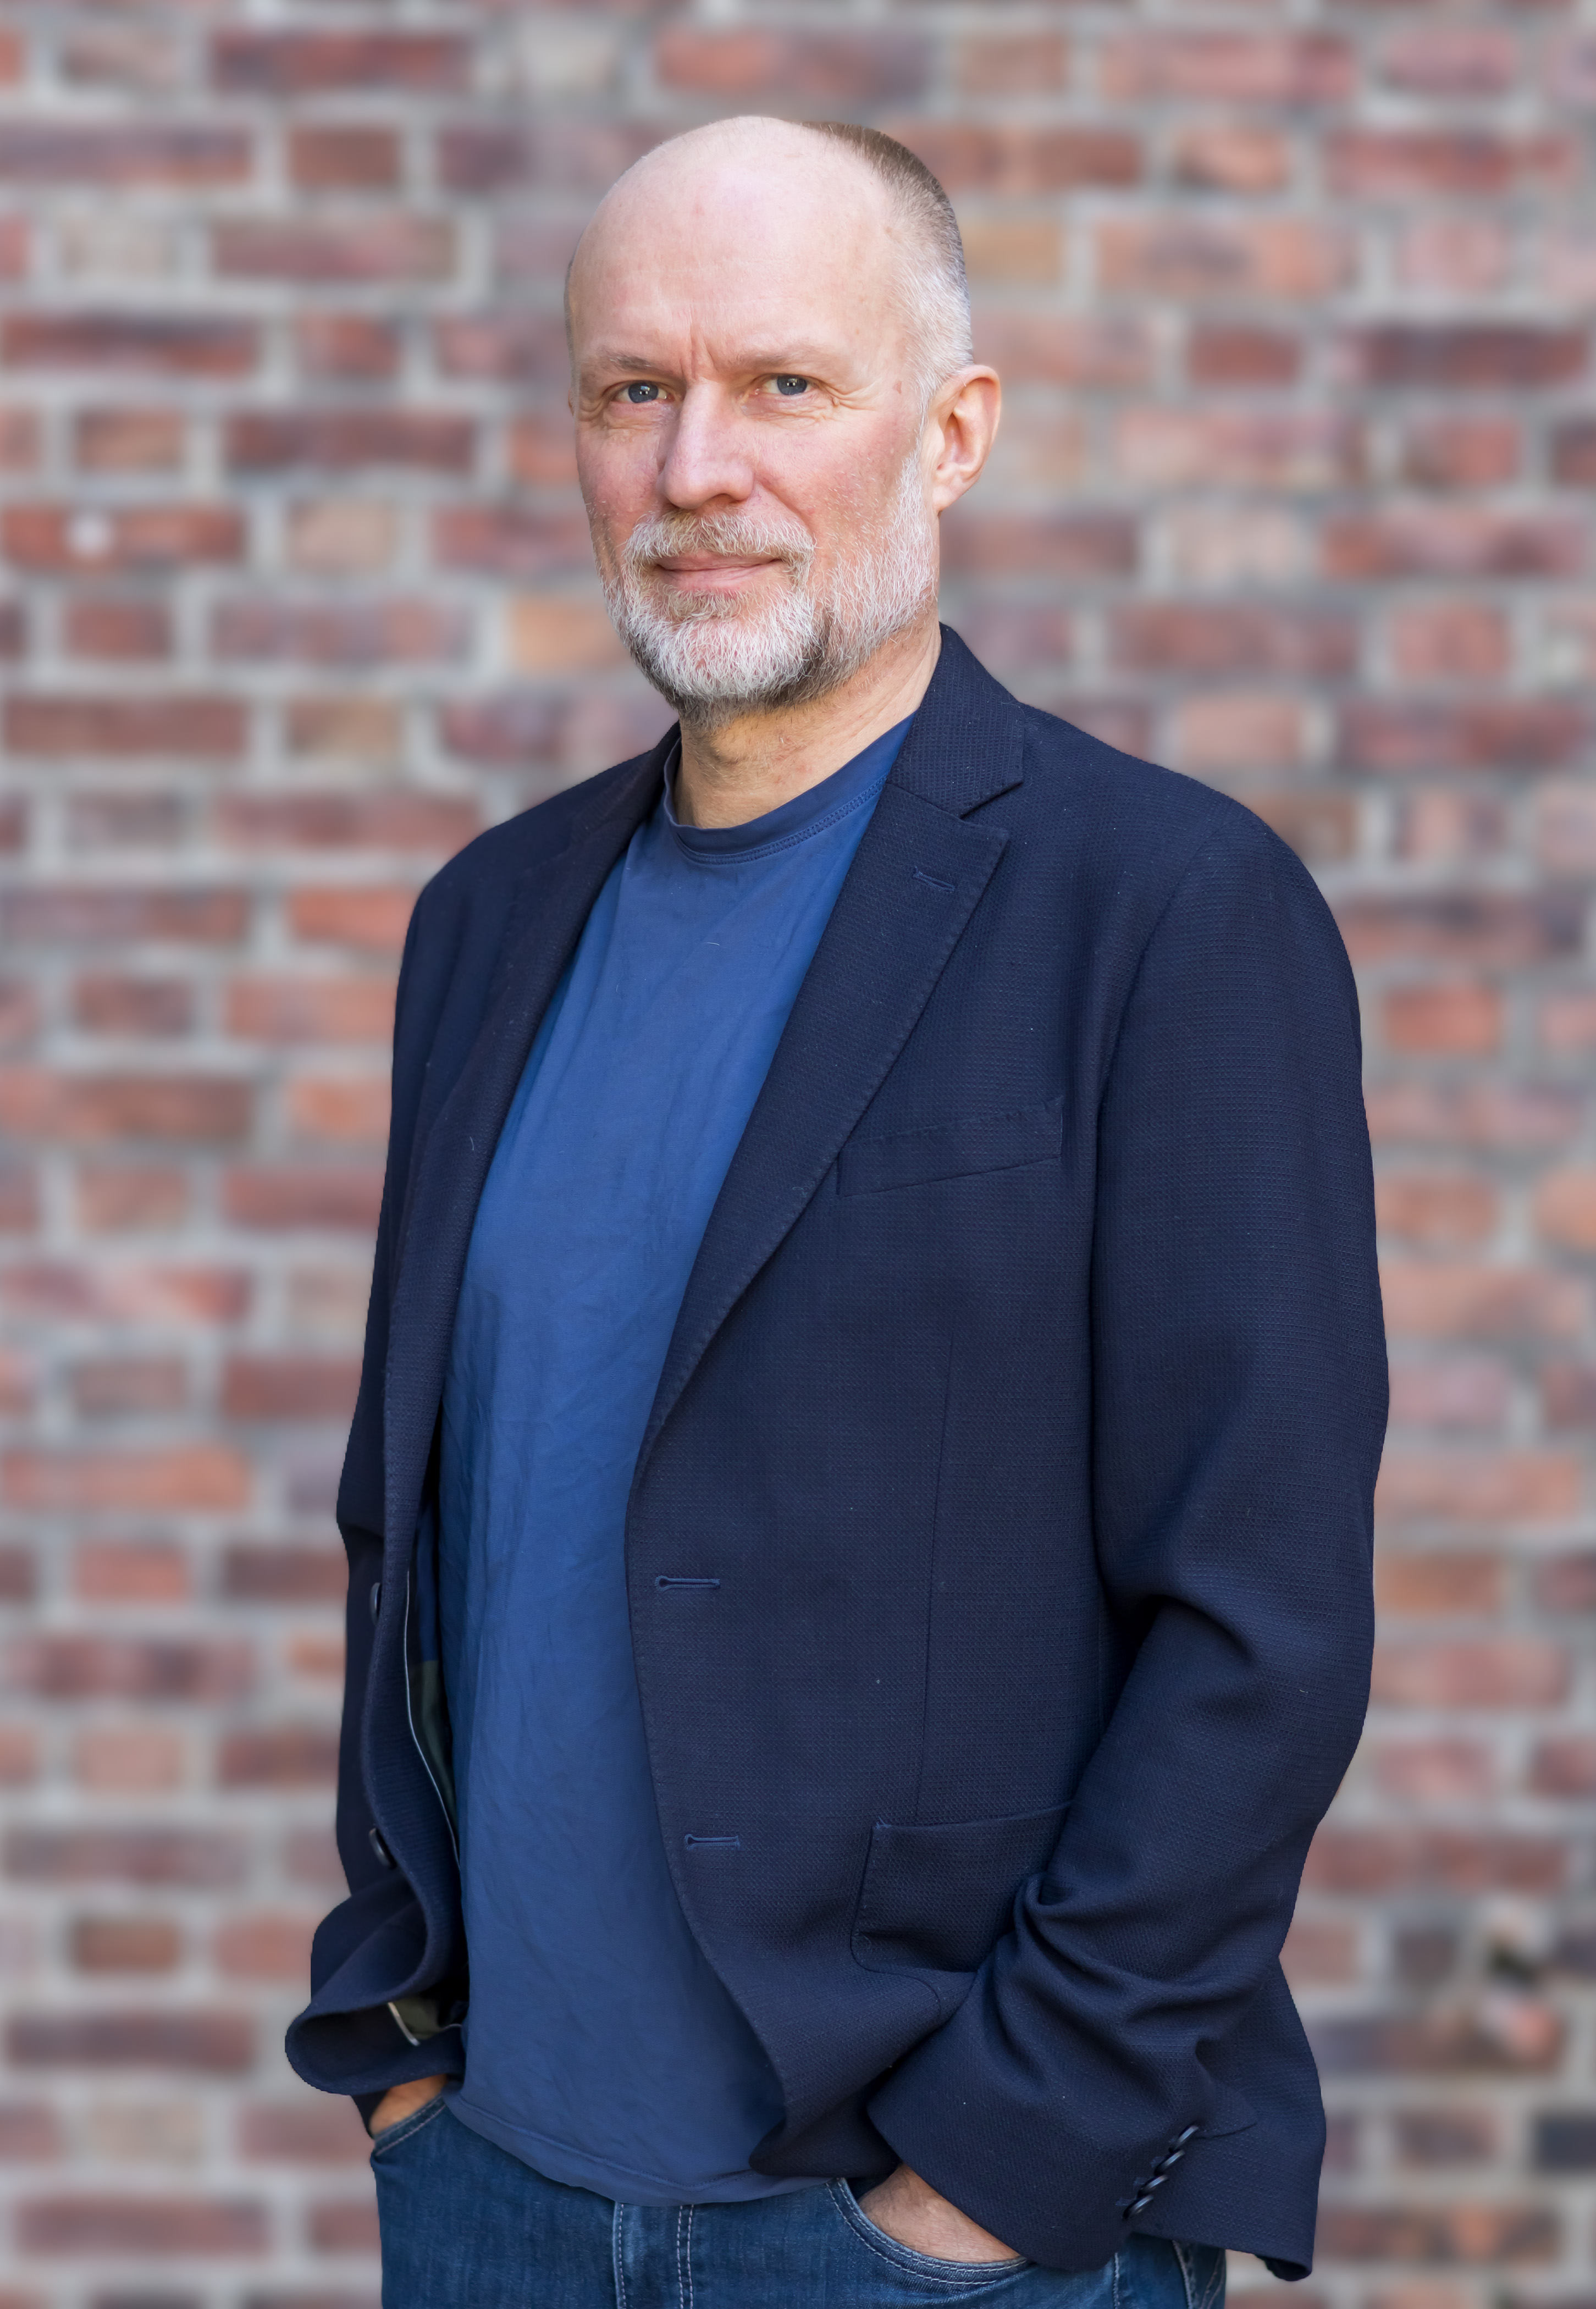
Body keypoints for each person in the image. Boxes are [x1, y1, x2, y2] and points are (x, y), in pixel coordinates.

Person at [288, 115, 1386, 2309]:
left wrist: (993, 2173)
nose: (696, 468)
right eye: (634, 390)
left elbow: (1259, 1630)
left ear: (952, 433)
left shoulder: (1167, 915)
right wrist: (401, 2045)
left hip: (924, 2233)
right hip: (492, 2192)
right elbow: (417, 1527)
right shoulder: (487, 921)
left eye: (785, 384)